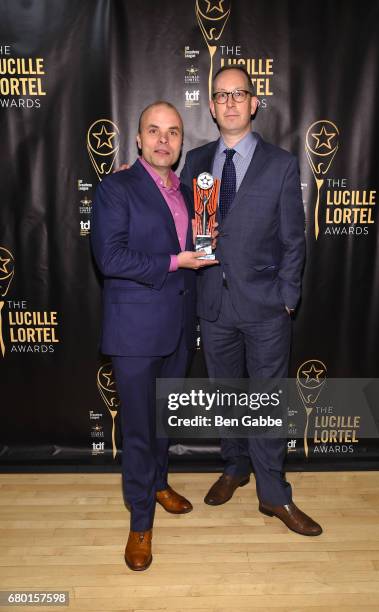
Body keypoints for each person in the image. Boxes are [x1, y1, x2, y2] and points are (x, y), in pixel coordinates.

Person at [180, 66, 322, 536]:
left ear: (254, 102)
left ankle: (273, 493)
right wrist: (132, 182)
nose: (231, 102)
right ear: (212, 106)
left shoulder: (280, 163)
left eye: (239, 93)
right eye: (221, 96)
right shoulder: (196, 160)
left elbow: (293, 238)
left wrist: (287, 298)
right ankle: (235, 465)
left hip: (265, 307)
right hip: (213, 304)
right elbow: (177, 221)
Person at [91, 101, 218, 571]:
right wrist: (174, 262)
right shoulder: (115, 187)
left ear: (182, 143)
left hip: (179, 328)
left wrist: (203, 252)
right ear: (139, 139)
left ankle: (159, 484)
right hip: (135, 333)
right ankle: (139, 523)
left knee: (163, 423)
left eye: (173, 132)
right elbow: (111, 259)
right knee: (141, 432)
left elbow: (201, 248)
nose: (164, 140)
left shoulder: (191, 192)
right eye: (154, 131)